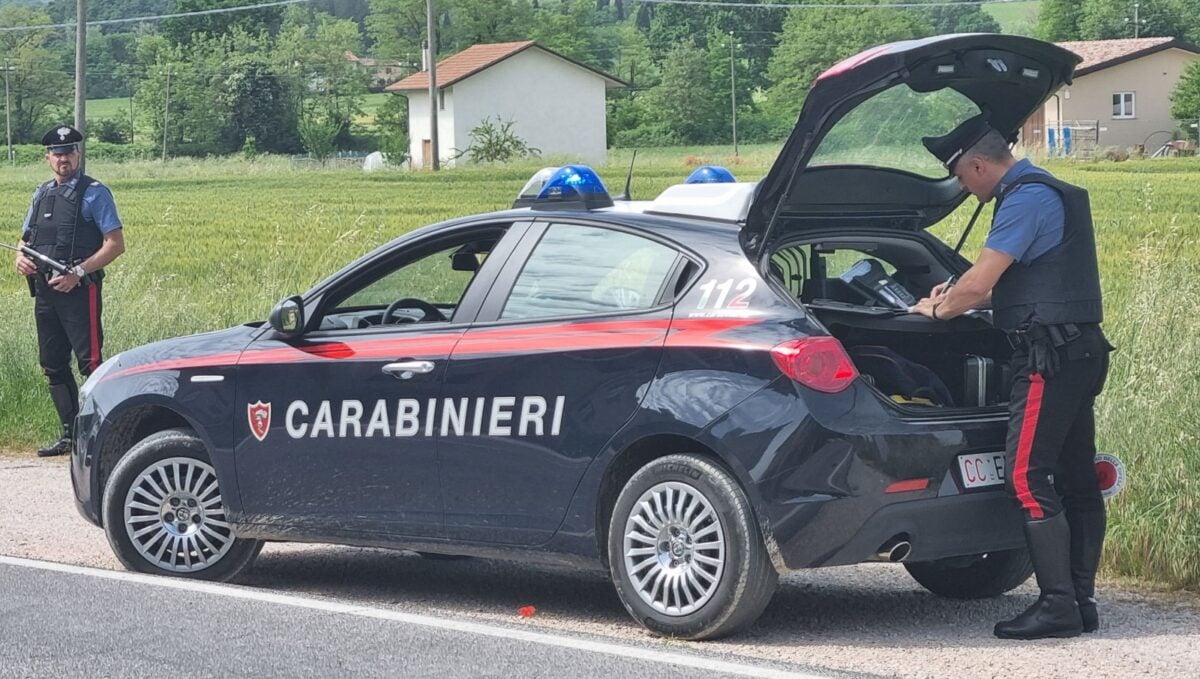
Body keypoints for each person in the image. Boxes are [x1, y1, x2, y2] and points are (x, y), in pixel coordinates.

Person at [909, 114, 1113, 640]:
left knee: (1026, 476)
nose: (962, 187)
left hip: (1048, 358)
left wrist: (934, 311)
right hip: (1082, 349)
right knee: (1076, 478)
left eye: (961, 176)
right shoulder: (1053, 192)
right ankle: (1080, 602)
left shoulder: (1023, 198)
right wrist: (954, 300)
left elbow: (978, 286)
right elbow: (1025, 283)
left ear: (978, 164)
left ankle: (1057, 605)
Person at [13, 125, 125, 457]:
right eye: (58, 153)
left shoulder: (95, 193)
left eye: (70, 152)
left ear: (78, 154)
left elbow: (115, 245)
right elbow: (26, 239)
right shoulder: (41, 193)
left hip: (79, 291)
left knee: (91, 364)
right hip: (46, 292)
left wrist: (78, 272)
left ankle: (105, 439)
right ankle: (71, 436)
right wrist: (21, 257)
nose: (64, 158)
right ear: (48, 157)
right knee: (52, 365)